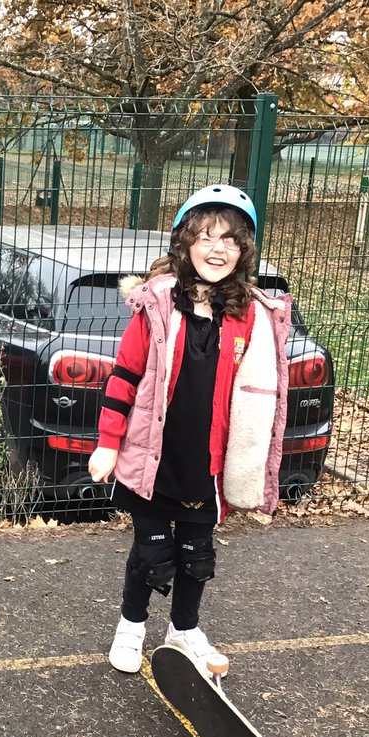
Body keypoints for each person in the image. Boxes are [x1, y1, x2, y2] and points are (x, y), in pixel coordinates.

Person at [87, 184, 291, 673]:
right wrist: (108, 444)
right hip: (153, 459)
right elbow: (124, 376)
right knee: (152, 551)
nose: (216, 248)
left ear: (244, 250)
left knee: (197, 553)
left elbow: (265, 395)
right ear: (184, 243)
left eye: (229, 239)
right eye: (204, 236)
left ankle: (184, 631)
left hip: (208, 462)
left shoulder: (252, 317)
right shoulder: (156, 304)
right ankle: (130, 627)